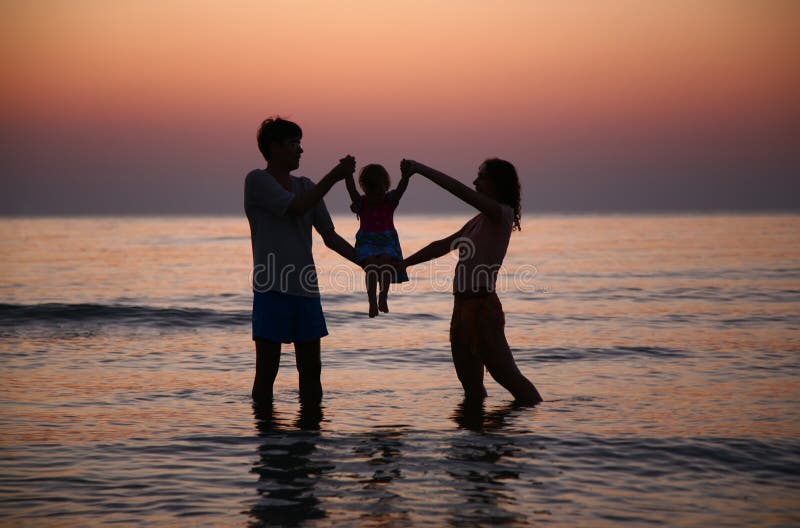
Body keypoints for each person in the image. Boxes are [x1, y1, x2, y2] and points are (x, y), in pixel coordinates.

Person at [398, 158, 543, 404]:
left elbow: (458, 190)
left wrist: (422, 169)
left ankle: (538, 425)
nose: (475, 181)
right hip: (461, 308)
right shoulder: (478, 221)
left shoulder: (501, 215)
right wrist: (403, 264)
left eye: (482, 176)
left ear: (497, 183)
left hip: (482, 308)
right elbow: (442, 246)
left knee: (508, 377)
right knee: (472, 388)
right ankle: (473, 441)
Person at [244, 117, 359, 405]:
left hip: (306, 292)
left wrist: (368, 263)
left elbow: (330, 237)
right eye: (294, 143)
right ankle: (267, 440)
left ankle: (308, 440)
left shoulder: (307, 185)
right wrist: (334, 176)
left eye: (300, 143)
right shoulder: (257, 180)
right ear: (273, 147)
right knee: (266, 373)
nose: (300, 150)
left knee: (311, 373)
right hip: (271, 290)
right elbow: (296, 207)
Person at [345, 163, 410, 317]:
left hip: (387, 241)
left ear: (385, 187)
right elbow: (351, 190)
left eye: (380, 190)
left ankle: (383, 296)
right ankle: (372, 302)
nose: (376, 195)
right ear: (366, 188)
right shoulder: (362, 202)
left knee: (386, 260)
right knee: (371, 265)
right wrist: (348, 175)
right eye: (372, 190)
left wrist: (406, 175)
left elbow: (401, 189)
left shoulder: (389, 201)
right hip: (367, 242)